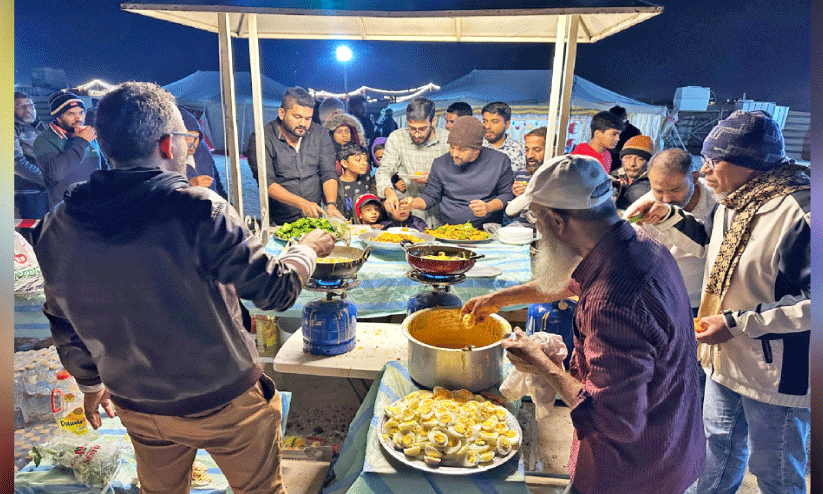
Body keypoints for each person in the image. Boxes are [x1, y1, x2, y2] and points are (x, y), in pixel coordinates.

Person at [32, 81, 335, 494]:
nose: (188, 149)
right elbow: (275, 290)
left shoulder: (57, 224)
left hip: (137, 404)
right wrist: (306, 249)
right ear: (166, 144)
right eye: (184, 139)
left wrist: (89, 382)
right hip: (226, 402)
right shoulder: (200, 209)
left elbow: (61, 315)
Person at [462, 153, 704, 494]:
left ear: (558, 222)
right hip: (673, 441)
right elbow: (575, 280)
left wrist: (540, 363)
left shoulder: (612, 304)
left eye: (538, 220)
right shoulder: (638, 244)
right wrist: (500, 298)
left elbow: (613, 420)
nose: (539, 230)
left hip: (630, 472)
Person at [627, 110, 811, 494]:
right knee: (716, 446)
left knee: (775, 470)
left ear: (750, 163)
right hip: (724, 357)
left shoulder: (800, 212)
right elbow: (709, 247)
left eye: (715, 161)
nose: (704, 171)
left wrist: (737, 323)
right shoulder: (733, 200)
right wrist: (666, 216)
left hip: (777, 370)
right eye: (705, 158)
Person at [624, 148, 716, 314]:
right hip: (666, 302)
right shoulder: (640, 213)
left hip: (711, 299)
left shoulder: (717, 198)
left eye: (675, 190)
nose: (666, 199)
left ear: (694, 178)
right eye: (658, 191)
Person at [246, 87, 342, 224]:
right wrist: (303, 204)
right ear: (281, 113)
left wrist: (331, 204)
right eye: (297, 117)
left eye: (308, 118)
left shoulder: (320, 133)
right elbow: (267, 183)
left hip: (315, 218)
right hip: (279, 220)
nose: (303, 123)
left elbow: (328, 172)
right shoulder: (262, 138)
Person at [406, 116, 514, 228]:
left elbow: (507, 194)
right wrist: (414, 203)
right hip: (449, 230)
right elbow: (431, 195)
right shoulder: (440, 163)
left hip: (488, 230)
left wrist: (488, 207)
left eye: (462, 149)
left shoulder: (499, 161)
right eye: (452, 147)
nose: (454, 154)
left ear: (477, 149)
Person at [375, 97, 449, 228]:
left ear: (433, 121)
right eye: (412, 128)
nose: (417, 134)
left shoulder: (447, 139)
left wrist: (433, 178)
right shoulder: (397, 138)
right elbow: (384, 169)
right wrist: (389, 192)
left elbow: (458, 176)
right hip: (412, 217)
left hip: (443, 213)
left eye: (422, 128)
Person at [32, 90, 108, 210]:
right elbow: (56, 173)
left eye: (81, 112)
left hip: (95, 206)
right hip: (66, 210)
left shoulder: (88, 134)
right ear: (58, 117)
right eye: (70, 114)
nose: (79, 118)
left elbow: (103, 167)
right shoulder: (44, 140)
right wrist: (81, 141)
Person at [13, 91, 49, 219]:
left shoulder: (44, 127)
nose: (28, 110)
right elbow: (16, 163)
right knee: (32, 229)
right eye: (20, 106)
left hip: (49, 191)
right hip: (25, 193)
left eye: (30, 106)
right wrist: (48, 180)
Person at [179, 106, 226, 197]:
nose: (193, 145)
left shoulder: (203, 151)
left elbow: (217, 183)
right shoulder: (164, 158)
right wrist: (190, 183)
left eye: (196, 138)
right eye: (187, 139)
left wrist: (226, 201)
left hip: (211, 202)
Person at [509, 127, 547, 226]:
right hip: (522, 230)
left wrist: (530, 195)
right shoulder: (521, 175)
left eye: (537, 150)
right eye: (526, 150)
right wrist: (518, 199)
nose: (530, 155)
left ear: (552, 150)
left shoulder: (558, 177)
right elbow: (510, 215)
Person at [482, 101, 526, 174]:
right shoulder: (476, 148)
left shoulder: (521, 150)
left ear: (507, 125)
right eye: (485, 121)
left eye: (494, 122)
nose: (487, 126)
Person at [611, 134, 653, 210]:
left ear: (648, 162)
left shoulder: (654, 185)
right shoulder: (611, 178)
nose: (632, 163)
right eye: (628, 158)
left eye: (640, 159)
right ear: (621, 159)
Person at [335, 143, 376, 221]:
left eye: (365, 160)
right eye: (358, 160)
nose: (365, 163)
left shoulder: (367, 180)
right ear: (345, 163)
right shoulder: (336, 185)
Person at [608, 105, 642, 172]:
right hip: (606, 163)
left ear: (624, 118)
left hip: (623, 167)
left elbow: (637, 152)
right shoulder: (608, 129)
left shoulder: (634, 132)